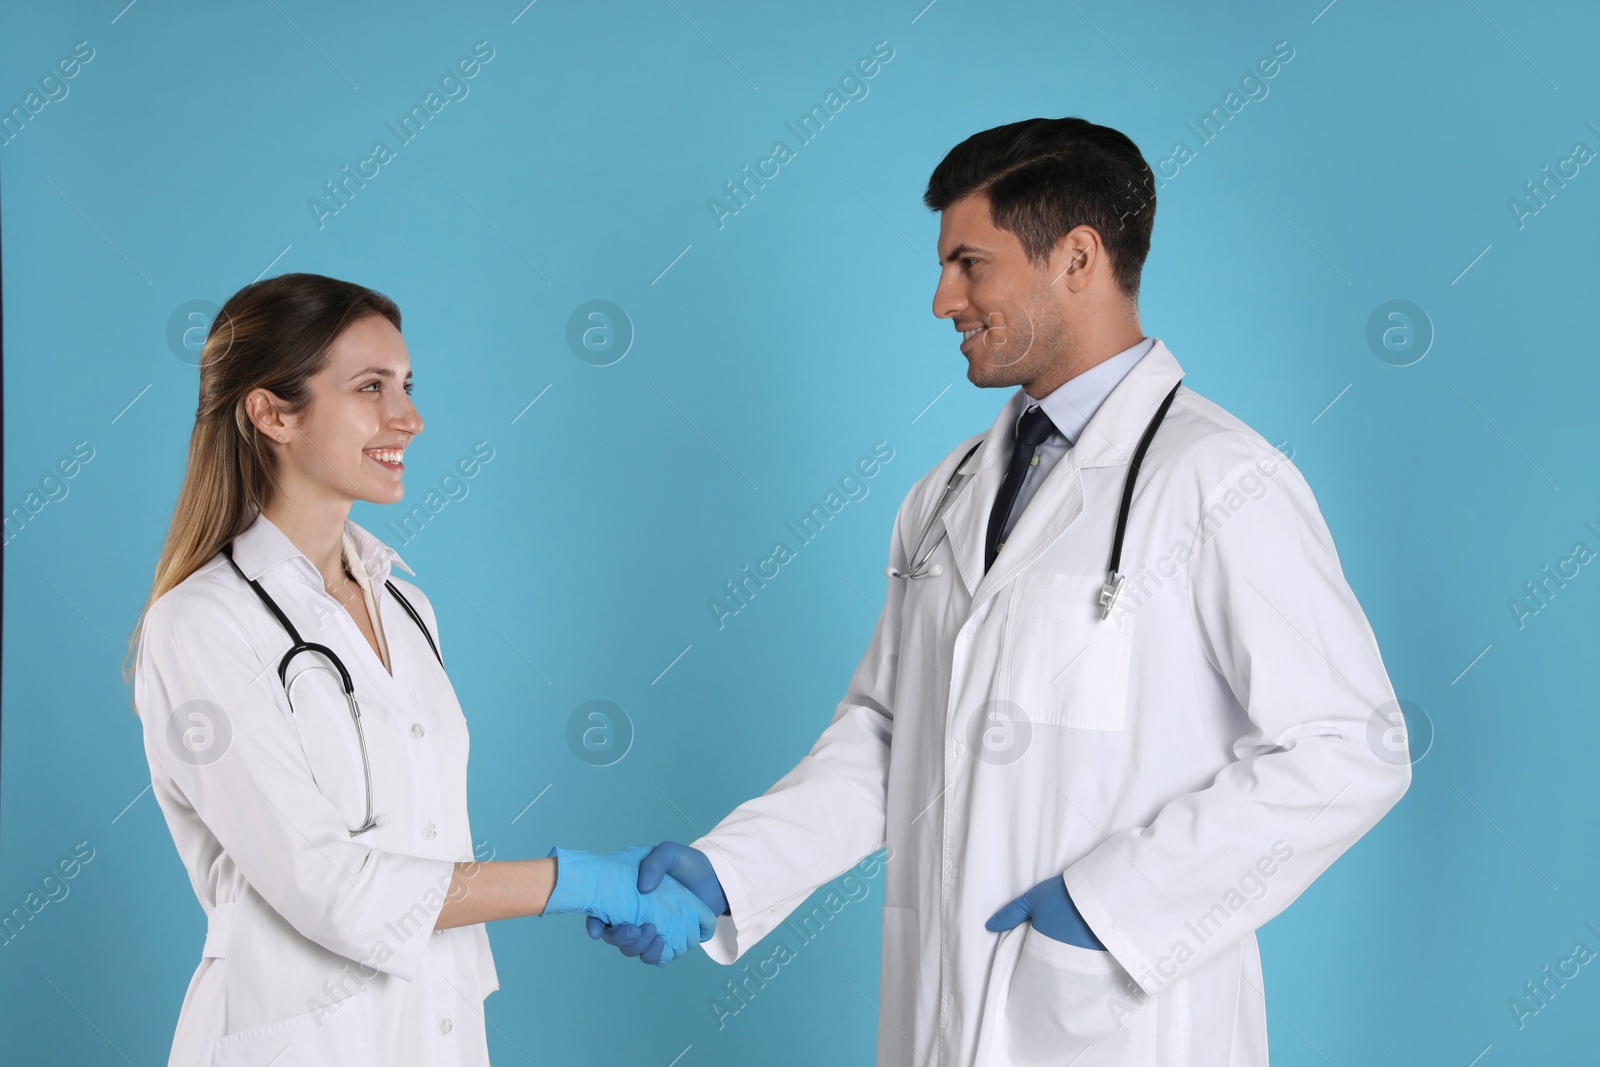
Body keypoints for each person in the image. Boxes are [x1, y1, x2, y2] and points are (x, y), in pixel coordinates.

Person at [589, 117, 1412, 1066]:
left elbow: (1352, 746)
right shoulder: (945, 493)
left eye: (970, 264)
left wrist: (1105, 908)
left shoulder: (1218, 480)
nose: (943, 299)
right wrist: (729, 872)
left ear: (1076, 257)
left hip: (1115, 1021)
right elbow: (893, 735)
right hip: (944, 1013)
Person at [125, 273, 714, 1067]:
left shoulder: (404, 602)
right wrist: (573, 881)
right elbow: (328, 883)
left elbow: (425, 848)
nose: (409, 417)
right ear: (271, 413)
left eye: (405, 385)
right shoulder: (200, 625)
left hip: (434, 1033)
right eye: (371, 387)